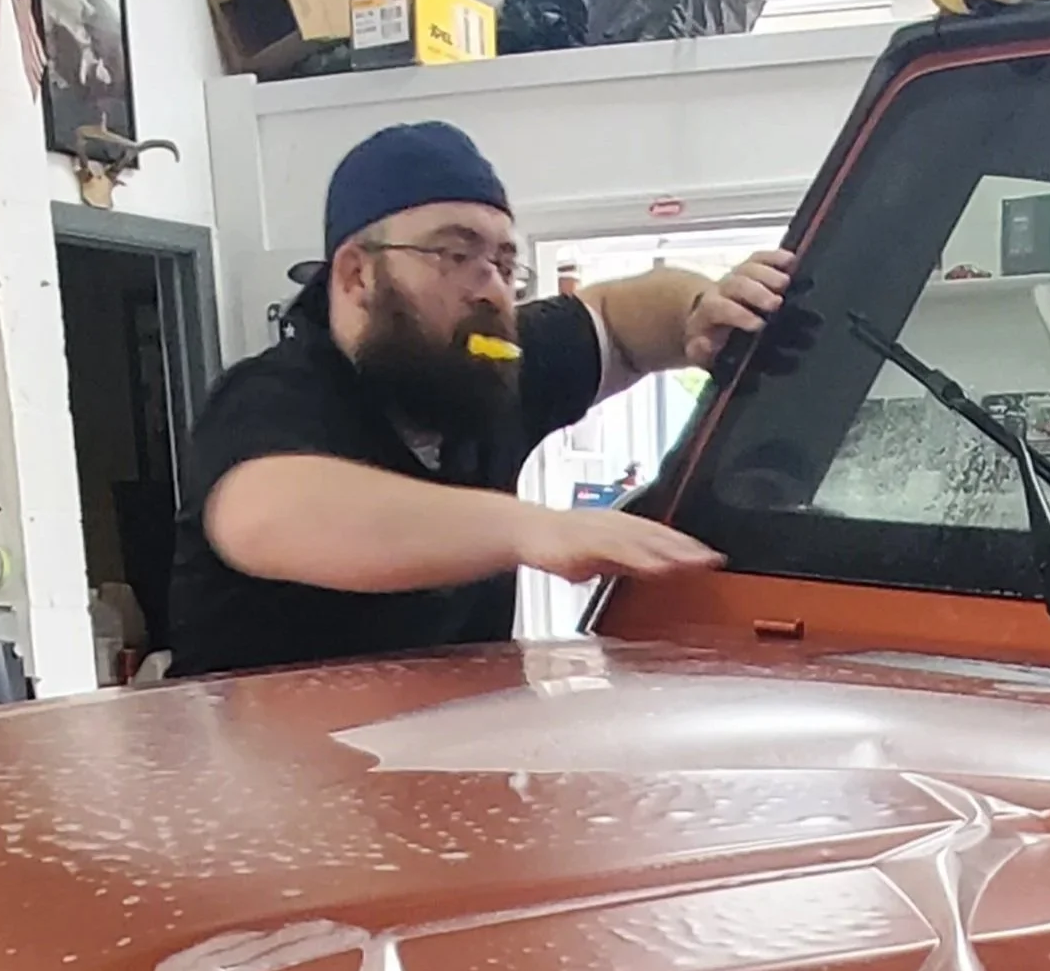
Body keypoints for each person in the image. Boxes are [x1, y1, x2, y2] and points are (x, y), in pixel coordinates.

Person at [165, 121, 791, 678]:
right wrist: (534, 530)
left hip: (436, 778)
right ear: (357, 274)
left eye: (504, 260)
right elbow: (266, 515)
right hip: (265, 789)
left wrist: (700, 312)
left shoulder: (483, 364)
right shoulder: (272, 394)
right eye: (456, 254)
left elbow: (619, 317)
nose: (491, 286)